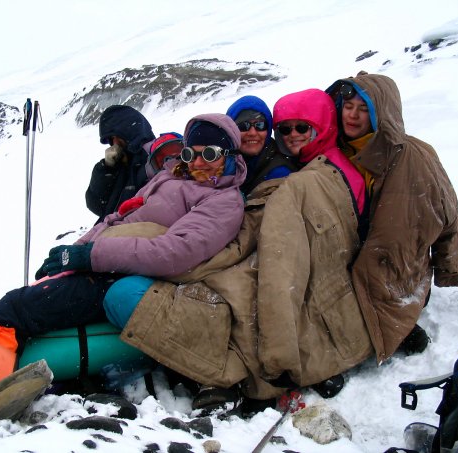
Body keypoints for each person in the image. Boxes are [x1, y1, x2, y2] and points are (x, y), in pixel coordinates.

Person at [0, 113, 247, 426]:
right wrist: (73, 253)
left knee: (18, 309)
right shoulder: (170, 177)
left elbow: (174, 252)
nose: (197, 162)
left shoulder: (223, 201)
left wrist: (91, 257)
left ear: (230, 154)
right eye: (190, 153)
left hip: (133, 276)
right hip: (112, 264)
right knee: (16, 304)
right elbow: (116, 218)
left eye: (210, 153)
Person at [109, 89, 371, 413]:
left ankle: (226, 370)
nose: (252, 131)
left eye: (261, 124)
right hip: (220, 247)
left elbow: (271, 234)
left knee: (236, 297)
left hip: (259, 254)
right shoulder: (218, 168)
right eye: (243, 125)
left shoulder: (282, 172)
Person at [325, 72, 458, 363]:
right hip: (350, 261)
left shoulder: (415, 157)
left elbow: (448, 214)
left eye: (363, 109)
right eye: (348, 106)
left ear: (383, 113)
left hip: (399, 271)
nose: (352, 115)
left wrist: (451, 268)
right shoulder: (333, 151)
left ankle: (399, 320)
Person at [85, 106, 182, 223]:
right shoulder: (119, 165)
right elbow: (96, 206)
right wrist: (106, 168)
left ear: (129, 132)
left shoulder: (156, 159)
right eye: (111, 139)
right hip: (113, 228)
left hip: (136, 229)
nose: (115, 143)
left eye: (117, 137)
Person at [226, 95, 299, 194]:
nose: (252, 133)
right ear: (230, 130)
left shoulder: (280, 174)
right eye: (243, 126)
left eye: (260, 125)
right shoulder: (219, 164)